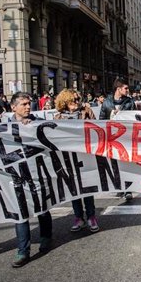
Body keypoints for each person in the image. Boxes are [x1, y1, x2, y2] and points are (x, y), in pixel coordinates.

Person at [5, 92, 53, 267]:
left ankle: (46, 237)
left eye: (28, 103)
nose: (27, 107)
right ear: (13, 107)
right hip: (15, 175)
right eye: (23, 104)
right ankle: (23, 251)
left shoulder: (37, 122)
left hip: (36, 173)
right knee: (20, 213)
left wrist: (32, 127)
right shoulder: (2, 126)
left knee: (42, 207)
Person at [54, 89, 100, 233]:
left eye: (77, 99)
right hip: (68, 157)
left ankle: (91, 216)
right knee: (74, 189)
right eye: (72, 100)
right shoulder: (58, 117)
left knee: (87, 188)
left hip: (84, 155)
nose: (76, 103)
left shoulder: (86, 111)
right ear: (65, 102)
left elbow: (96, 128)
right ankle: (78, 217)